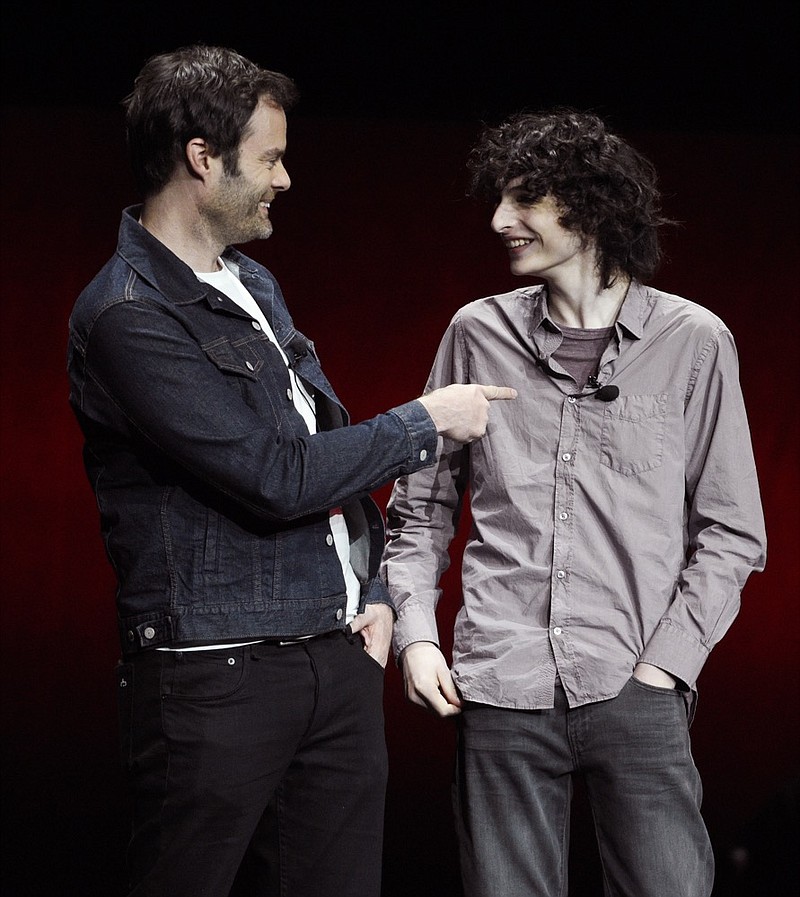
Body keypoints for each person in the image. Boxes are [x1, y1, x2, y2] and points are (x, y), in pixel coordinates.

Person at [67, 44, 515, 897]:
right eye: (268, 156)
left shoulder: (253, 283)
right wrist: (428, 420)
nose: (285, 177)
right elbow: (275, 474)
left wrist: (372, 587)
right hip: (215, 677)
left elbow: (323, 436)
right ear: (204, 158)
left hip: (332, 655)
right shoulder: (128, 316)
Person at [381, 109, 767, 896]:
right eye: (499, 200)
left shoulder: (694, 341)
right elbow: (419, 509)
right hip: (500, 684)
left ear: (589, 207)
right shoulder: (475, 332)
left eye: (524, 199)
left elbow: (731, 531)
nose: (499, 221)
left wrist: (668, 663)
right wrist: (416, 638)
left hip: (636, 681)